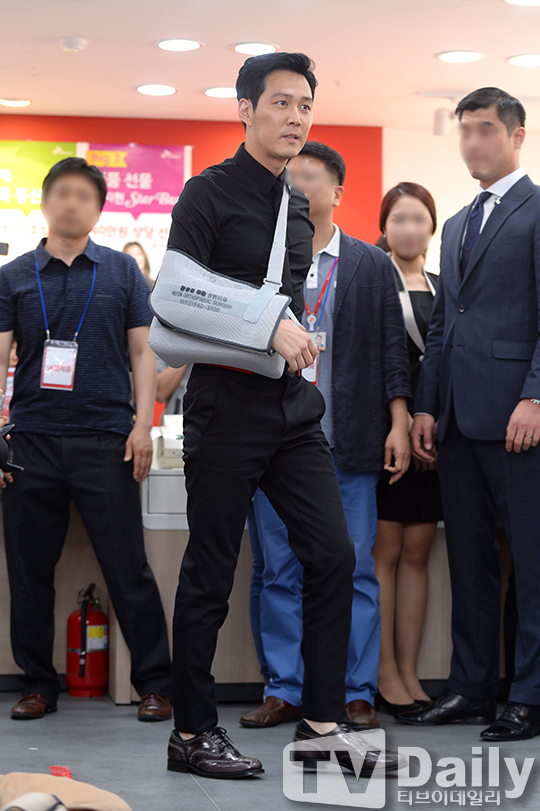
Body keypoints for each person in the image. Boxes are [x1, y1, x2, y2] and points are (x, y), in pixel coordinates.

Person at [164, 52, 400, 779]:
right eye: (280, 103)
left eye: (305, 105)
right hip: (224, 410)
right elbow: (175, 296)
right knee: (210, 571)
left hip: (293, 412)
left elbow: (291, 302)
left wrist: (290, 329)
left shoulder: (297, 206)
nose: (295, 117)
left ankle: (323, 725)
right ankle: (191, 732)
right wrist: (268, 323)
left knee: (334, 556)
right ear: (245, 109)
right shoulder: (206, 194)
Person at [240, 142, 412, 732]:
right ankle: (285, 689)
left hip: (351, 441)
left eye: (311, 176)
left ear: (337, 192)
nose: (298, 185)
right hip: (278, 444)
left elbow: (393, 350)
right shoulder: (261, 261)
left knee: (357, 570)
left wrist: (398, 421)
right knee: (280, 571)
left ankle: (354, 691)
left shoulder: (370, 263)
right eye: (290, 176)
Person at [0, 157, 173, 722]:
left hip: (106, 438)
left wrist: (142, 425)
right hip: (31, 442)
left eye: (84, 195)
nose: (72, 202)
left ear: (98, 210)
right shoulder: (14, 275)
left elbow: (143, 353)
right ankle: (37, 684)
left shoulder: (123, 273)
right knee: (29, 572)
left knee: (128, 568)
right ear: (45, 203)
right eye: (62, 193)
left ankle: (154, 683)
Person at [406, 87, 540, 742]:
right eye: (464, 130)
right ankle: (472, 686)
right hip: (457, 420)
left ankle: (529, 695)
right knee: (469, 561)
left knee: (533, 563)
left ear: (517, 136)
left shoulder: (537, 211)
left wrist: (536, 396)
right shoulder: (456, 223)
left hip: (520, 418)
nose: (472, 142)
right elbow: (444, 328)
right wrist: (427, 407)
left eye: (485, 129)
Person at [373, 182, 443, 716]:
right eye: (399, 218)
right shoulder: (373, 280)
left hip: (434, 434)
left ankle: (410, 670)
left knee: (418, 554)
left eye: (418, 218)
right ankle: (382, 674)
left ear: (432, 226)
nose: (409, 228)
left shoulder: (443, 285)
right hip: (384, 432)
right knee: (385, 554)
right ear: (384, 226)